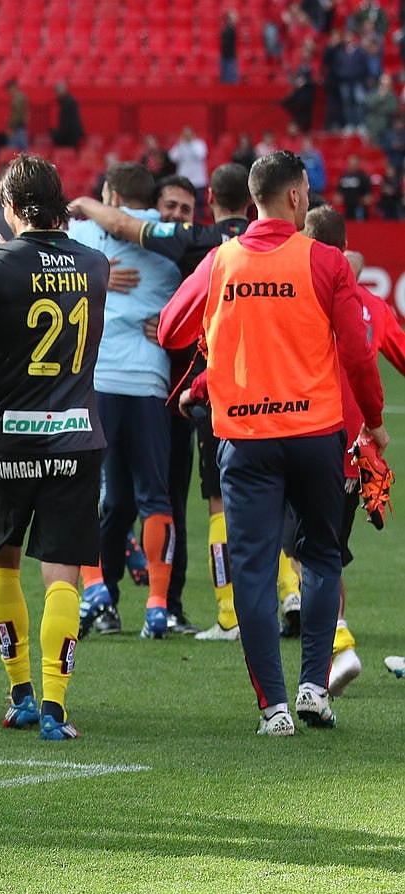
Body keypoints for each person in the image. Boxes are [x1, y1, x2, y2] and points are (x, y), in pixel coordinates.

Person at [157, 150, 387, 736]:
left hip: (246, 439)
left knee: (255, 572)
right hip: (316, 434)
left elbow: (170, 329)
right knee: (321, 557)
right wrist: (374, 421)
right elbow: (357, 353)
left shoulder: (221, 260)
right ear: (295, 196)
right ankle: (314, 688)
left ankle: (274, 709)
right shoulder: (325, 260)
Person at [0, 153, 109, 740]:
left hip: (9, 437)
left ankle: (19, 693)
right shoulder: (94, 263)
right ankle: (55, 708)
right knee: (63, 573)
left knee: (2, 562)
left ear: (12, 206)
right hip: (76, 434)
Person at [71, 164, 254, 641]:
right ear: (154, 205)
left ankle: (116, 595)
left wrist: (92, 269)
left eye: (184, 208)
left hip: (141, 386)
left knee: (116, 495)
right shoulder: (180, 247)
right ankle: (148, 605)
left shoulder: (96, 235)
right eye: (169, 206)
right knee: (141, 499)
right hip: (158, 387)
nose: (175, 214)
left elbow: (46, 256)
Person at [300, 211, 405, 697]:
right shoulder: (373, 305)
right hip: (351, 454)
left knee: (297, 552)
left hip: (298, 437)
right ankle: (331, 656)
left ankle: (336, 648)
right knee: (326, 556)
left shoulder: (299, 294)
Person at [50, 82, 84, 148]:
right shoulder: (68, 101)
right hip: (72, 133)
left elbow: (66, 122)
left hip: (70, 135)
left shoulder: (67, 103)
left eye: (56, 92)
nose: (56, 94)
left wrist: (59, 135)